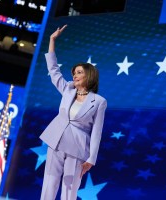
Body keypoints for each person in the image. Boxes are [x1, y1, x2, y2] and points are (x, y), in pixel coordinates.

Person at [39, 25, 107, 200]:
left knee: (69, 191)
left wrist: (91, 158)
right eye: (74, 73)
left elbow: (96, 132)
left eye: (79, 73)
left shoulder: (99, 101)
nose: (74, 76)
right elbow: (53, 71)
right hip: (56, 140)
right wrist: (52, 40)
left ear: (89, 76)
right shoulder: (68, 90)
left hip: (77, 147)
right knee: (49, 184)